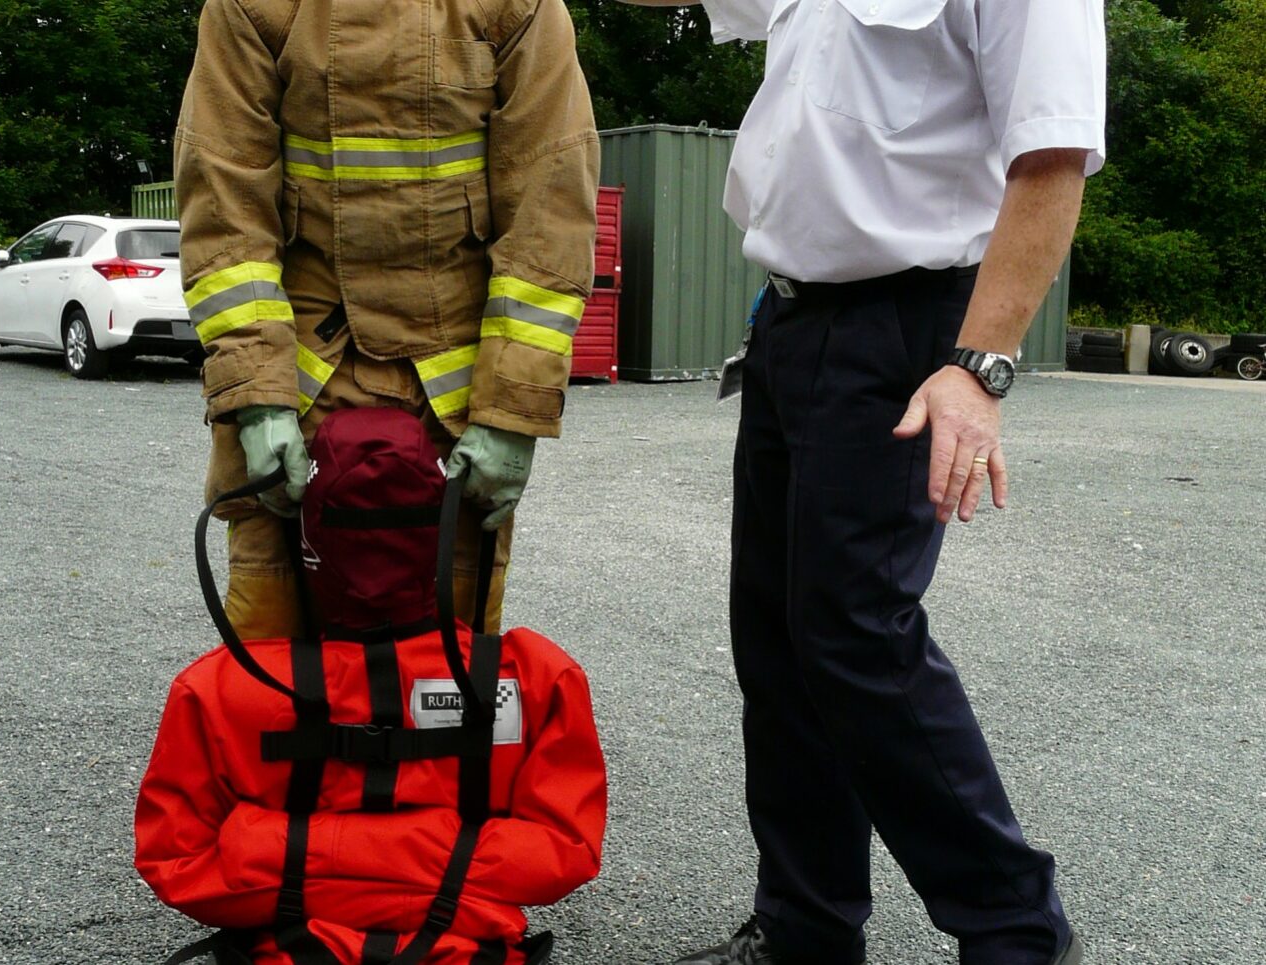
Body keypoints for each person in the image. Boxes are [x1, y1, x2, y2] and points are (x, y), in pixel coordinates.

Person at [615, 0, 1106, 962]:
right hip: (792, 323)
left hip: (909, 330)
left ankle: (1017, 935)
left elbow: (1049, 158)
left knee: (855, 635)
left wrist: (980, 365)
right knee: (778, 637)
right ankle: (806, 928)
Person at [174, 0, 599, 640]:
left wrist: (512, 414)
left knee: (443, 689)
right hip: (298, 394)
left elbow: (550, 209)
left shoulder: (520, 6)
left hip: (450, 416)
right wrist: (259, 401)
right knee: (272, 684)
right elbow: (224, 208)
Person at [136, 408, 607, 964]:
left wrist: (272, 850)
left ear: (305, 536)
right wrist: (446, 868)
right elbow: (564, 850)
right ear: (442, 533)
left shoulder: (219, 689)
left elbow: (176, 859)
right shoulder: (536, 679)